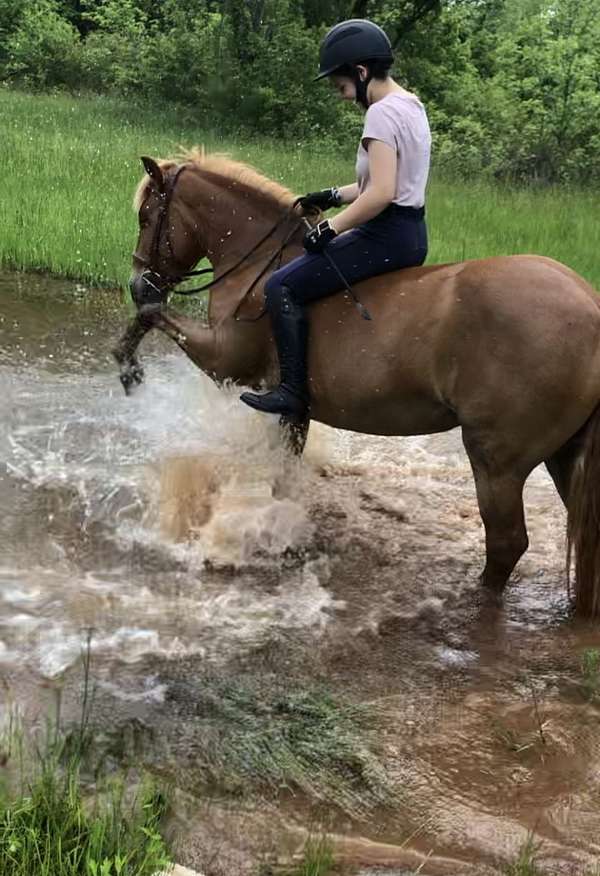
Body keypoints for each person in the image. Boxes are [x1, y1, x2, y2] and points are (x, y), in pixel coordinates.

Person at [240, 18, 431, 419]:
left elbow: (381, 194)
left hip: (385, 234)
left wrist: (329, 229)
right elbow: (382, 183)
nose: (343, 96)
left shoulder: (380, 114)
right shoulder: (411, 106)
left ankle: (292, 391)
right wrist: (330, 196)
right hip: (411, 231)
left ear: (361, 73)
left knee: (281, 286)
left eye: (342, 86)